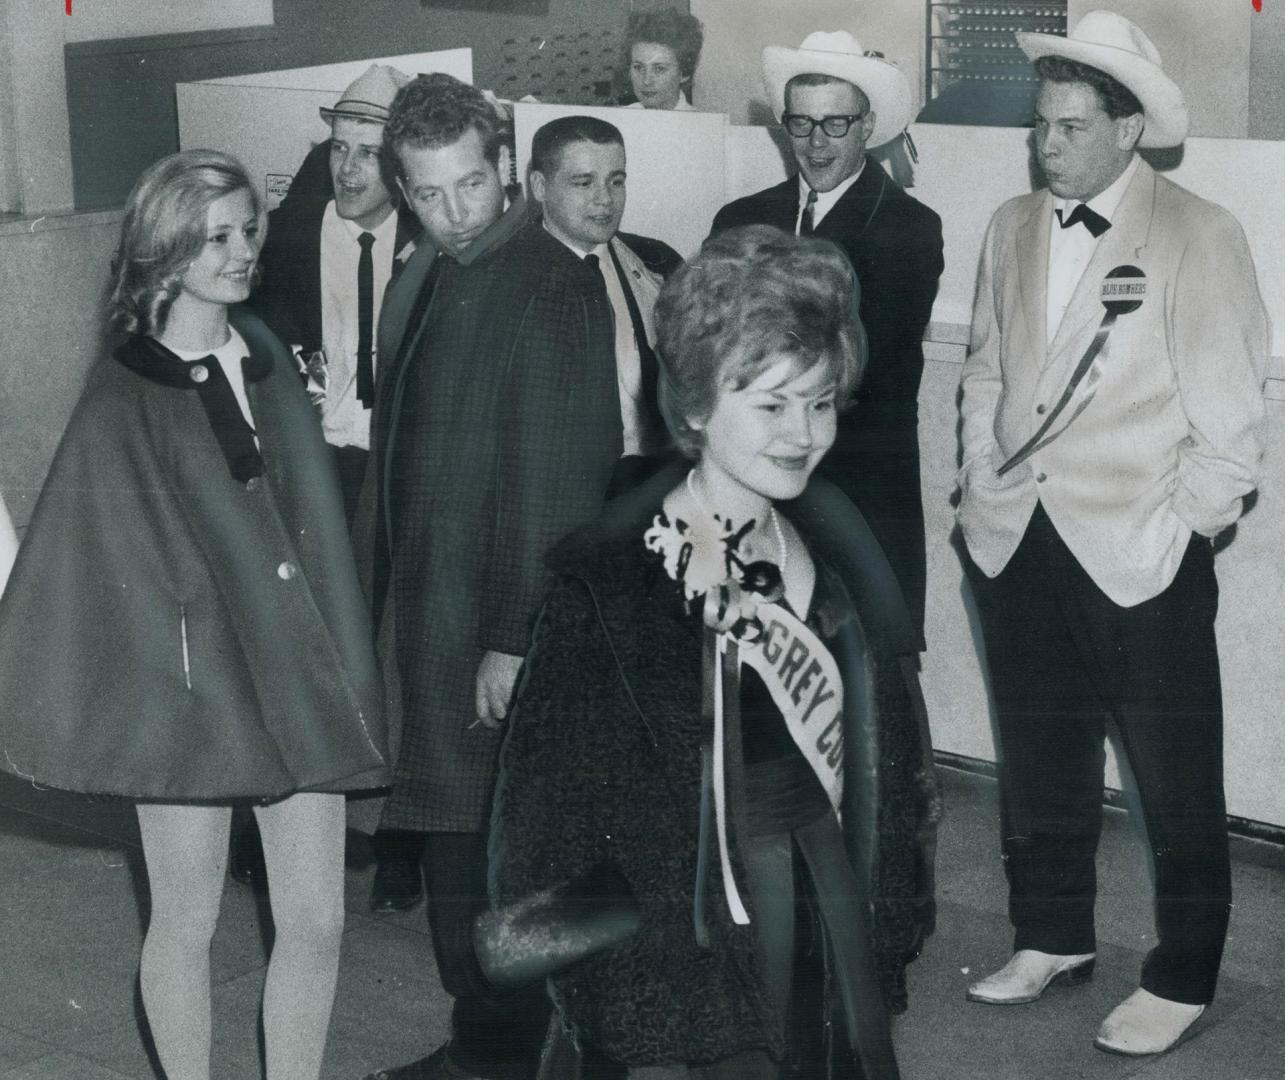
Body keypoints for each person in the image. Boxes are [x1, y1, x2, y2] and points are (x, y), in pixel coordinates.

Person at [489, 225, 939, 1079]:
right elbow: (544, 833)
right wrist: (631, 1013)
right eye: (769, 406)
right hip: (676, 953)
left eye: (818, 403)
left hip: (822, 915)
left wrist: (887, 918)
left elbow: (892, 760)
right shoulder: (608, 583)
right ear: (694, 404)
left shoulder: (834, 539)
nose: (802, 433)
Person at [0, 149, 387, 1080]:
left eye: (249, 229)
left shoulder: (263, 357)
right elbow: (98, 567)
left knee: (319, 920)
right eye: (217, 236)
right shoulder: (122, 394)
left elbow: (310, 526)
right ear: (165, 251)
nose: (243, 250)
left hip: (294, 672)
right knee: (187, 919)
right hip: (188, 699)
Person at [956, 11, 1268, 1057]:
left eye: (1073, 128)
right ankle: (1050, 934)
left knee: (1173, 777)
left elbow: (1232, 430)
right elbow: (987, 372)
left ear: (1129, 131)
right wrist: (976, 488)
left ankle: (1181, 974)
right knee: (1038, 757)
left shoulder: (1198, 233)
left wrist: (1179, 532)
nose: (1049, 148)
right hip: (1017, 540)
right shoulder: (1007, 225)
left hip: (1141, 550)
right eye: (1041, 126)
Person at [358, 76, 663, 1080]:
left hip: (495, 622)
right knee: (476, 856)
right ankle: (505, 1048)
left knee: (520, 862)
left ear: (503, 168)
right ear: (404, 191)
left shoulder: (545, 279)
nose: (457, 210)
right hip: (440, 609)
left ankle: (550, 1053)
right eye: (432, 192)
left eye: (473, 183)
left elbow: (556, 481)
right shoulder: (441, 266)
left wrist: (515, 634)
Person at [247, 62, 425, 914]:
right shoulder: (287, 235)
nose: (349, 170)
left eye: (369, 154)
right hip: (312, 471)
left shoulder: (430, 248)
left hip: (392, 474)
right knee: (303, 647)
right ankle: (275, 826)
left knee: (393, 649)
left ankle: (398, 837)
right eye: (340, 150)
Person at [710, 31, 943, 643]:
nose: (815, 143)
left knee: (862, 681)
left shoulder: (909, 229)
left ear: (868, 126)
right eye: (801, 123)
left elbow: (860, 363)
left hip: (856, 489)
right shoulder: (738, 220)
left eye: (835, 124)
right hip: (748, 488)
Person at [527, 114, 682, 494]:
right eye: (583, 183)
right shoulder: (511, 278)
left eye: (616, 181)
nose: (604, 199)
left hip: (654, 484)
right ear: (539, 186)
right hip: (561, 493)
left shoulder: (656, 261)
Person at [623, 9, 704, 111]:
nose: (646, 81)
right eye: (638, 67)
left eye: (659, 69)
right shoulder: (618, 118)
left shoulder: (700, 124)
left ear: (684, 73)